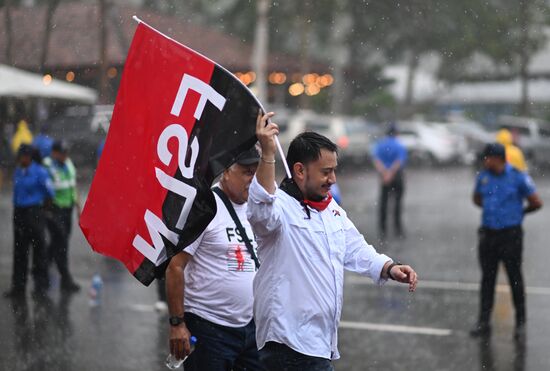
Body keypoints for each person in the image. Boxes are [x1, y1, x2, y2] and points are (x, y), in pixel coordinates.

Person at [249, 112, 418, 370]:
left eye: (334, 171)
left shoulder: (331, 209)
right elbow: (261, 209)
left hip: (320, 342)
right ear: (299, 171)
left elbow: (356, 248)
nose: (333, 179)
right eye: (326, 172)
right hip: (287, 344)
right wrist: (268, 154)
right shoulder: (280, 207)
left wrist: (389, 268)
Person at [165, 147, 265, 371]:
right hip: (209, 329)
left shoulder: (258, 208)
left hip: (251, 328)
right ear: (227, 171)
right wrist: (177, 324)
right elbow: (175, 267)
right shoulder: (203, 206)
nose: (254, 179)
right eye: (248, 172)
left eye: (257, 173)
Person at [470, 143, 542, 340]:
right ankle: (484, 321)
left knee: (514, 278)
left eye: (487, 158)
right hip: (488, 235)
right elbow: (476, 199)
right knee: (487, 279)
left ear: (498, 158)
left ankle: (520, 322)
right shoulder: (483, 176)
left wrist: (518, 214)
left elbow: (536, 202)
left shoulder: (517, 177)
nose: (485, 161)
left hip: (510, 236)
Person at [3, 144, 54, 298]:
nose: (21, 159)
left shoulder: (40, 172)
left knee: (39, 252)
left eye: (24, 156)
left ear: (30, 157)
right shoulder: (18, 171)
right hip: (19, 214)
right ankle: (18, 287)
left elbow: (49, 194)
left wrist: (43, 212)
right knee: (19, 253)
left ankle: (41, 287)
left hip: (34, 213)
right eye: (20, 157)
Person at [42, 140, 81, 292]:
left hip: (67, 209)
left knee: (57, 243)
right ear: (54, 153)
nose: (65, 156)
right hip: (54, 209)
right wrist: (47, 210)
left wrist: (78, 206)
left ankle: (42, 271)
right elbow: (44, 188)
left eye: (66, 153)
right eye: (62, 153)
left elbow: (73, 186)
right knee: (61, 243)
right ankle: (65, 278)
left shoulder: (69, 164)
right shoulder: (48, 166)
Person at [372, 123, 408, 238]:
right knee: (397, 203)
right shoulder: (399, 145)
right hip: (397, 177)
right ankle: (397, 229)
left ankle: (383, 229)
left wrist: (384, 173)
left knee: (383, 203)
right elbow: (399, 161)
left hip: (384, 177)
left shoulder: (380, 145)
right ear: (396, 133)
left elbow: (376, 160)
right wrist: (391, 173)